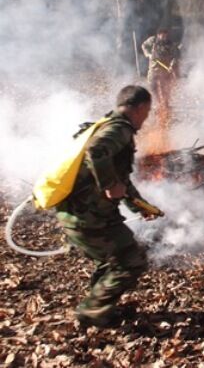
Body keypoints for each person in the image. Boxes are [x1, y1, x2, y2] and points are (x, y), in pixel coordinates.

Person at [55, 86, 156, 327]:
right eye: (147, 111)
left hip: (81, 213)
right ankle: (91, 312)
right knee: (133, 260)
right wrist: (109, 184)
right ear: (140, 108)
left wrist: (139, 206)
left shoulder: (107, 124)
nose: (147, 117)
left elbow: (122, 178)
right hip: (87, 215)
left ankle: (102, 307)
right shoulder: (119, 129)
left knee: (113, 260)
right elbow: (96, 151)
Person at [141, 29, 180, 110]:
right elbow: (144, 45)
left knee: (165, 88)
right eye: (162, 35)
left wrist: (172, 65)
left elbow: (175, 56)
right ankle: (159, 103)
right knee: (153, 86)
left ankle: (165, 103)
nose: (164, 37)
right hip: (153, 69)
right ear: (158, 35)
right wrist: (148, 54)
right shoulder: (152, 40)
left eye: (165, 35)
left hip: (165, 70)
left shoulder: (170, 44)